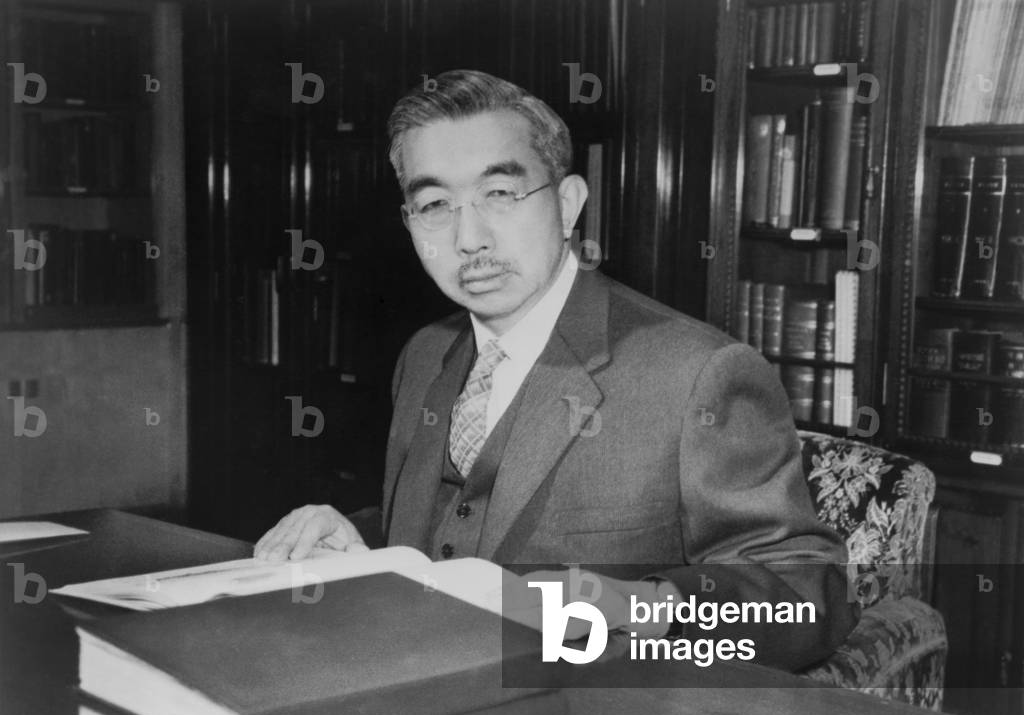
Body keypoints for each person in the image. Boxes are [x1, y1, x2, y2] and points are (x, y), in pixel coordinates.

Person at [255, 69, 857, 670]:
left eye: (500, 194)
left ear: (568, 205)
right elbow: (453, 526)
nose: (469, 238)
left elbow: (810, 599)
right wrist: (361, 541)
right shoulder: (424, 355)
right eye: (434, 204)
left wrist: (646, 604)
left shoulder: (698, 372)